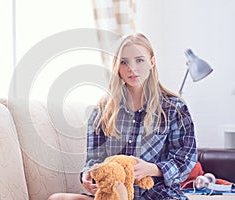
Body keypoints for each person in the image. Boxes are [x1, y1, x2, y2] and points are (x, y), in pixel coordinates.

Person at [48, 33, 197, 200]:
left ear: (152, 62)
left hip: (158, 195)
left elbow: (185, 159)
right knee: (57, 198)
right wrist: (88, 175)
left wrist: (152, 169)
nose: (131, 68)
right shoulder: (103, 110)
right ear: (117, 67)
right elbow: (94, 159)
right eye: (124, 62)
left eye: (139, 60)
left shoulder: (174, 108)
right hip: (113, 194)